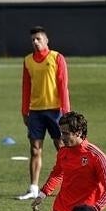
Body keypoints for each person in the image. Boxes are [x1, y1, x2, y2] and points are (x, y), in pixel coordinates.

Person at [18, 26, 70, 200]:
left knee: (62, 149)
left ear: (46, 40)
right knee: (34, 149)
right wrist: (25, 111)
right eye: (33, 39)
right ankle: (33, 187)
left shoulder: (57, 58)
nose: (35, 42)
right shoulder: (27, 61)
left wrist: (66, 112)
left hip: (55, 111)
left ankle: (68, 183)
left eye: (38, 39)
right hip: (35, 112)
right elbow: (25, 87)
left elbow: (63, 86)